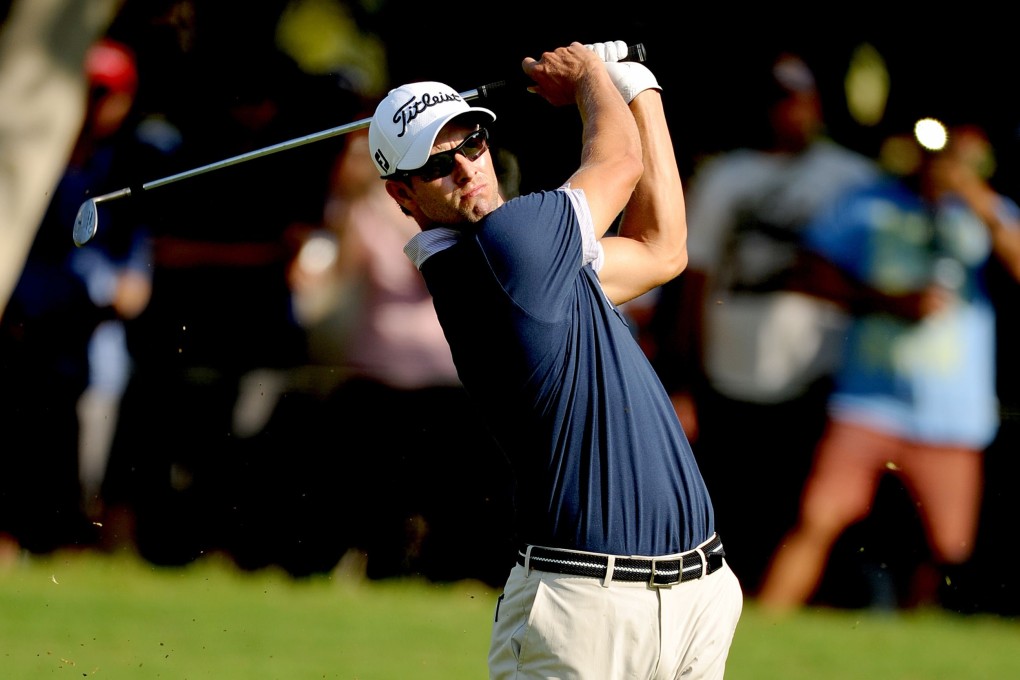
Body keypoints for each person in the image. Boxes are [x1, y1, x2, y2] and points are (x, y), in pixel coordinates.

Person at [366, 40, 742, 678]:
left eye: (471, 145)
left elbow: (661, 249)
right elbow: (619, 160)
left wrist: (638, 86)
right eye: (437, 166)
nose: (466, 170)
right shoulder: (508, 248)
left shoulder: (526, 256)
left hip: (695, 595)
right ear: (402, 196)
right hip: (583, 610)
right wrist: (593, 75)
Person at [756, 120, 1020, 613]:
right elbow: (810, 270)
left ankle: (921, 640)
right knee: (819, 517)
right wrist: (886, 301)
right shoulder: (868, 204)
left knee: (948, 551)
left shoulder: (991, 212)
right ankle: (765, 625)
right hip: (867, 401)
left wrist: (976, 199)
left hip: (953, 413)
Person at [648, 51, 880, 594]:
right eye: (780, 100)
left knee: (801, 503)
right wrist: (683, 377)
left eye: (800, 98)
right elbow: (695, 277)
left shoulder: (854, 177)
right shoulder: (729, 176)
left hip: (818, 375)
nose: (791, 112)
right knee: (730, 500)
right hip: (730, 373)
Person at [287, 125, 516, 585]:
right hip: (380, 373)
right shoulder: (359, 218)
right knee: (381, 487)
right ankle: (385, 568)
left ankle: (444, 569)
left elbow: (426, 273)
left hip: (442, 372)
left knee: (448, 487)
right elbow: (331, 286)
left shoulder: (431, 210)